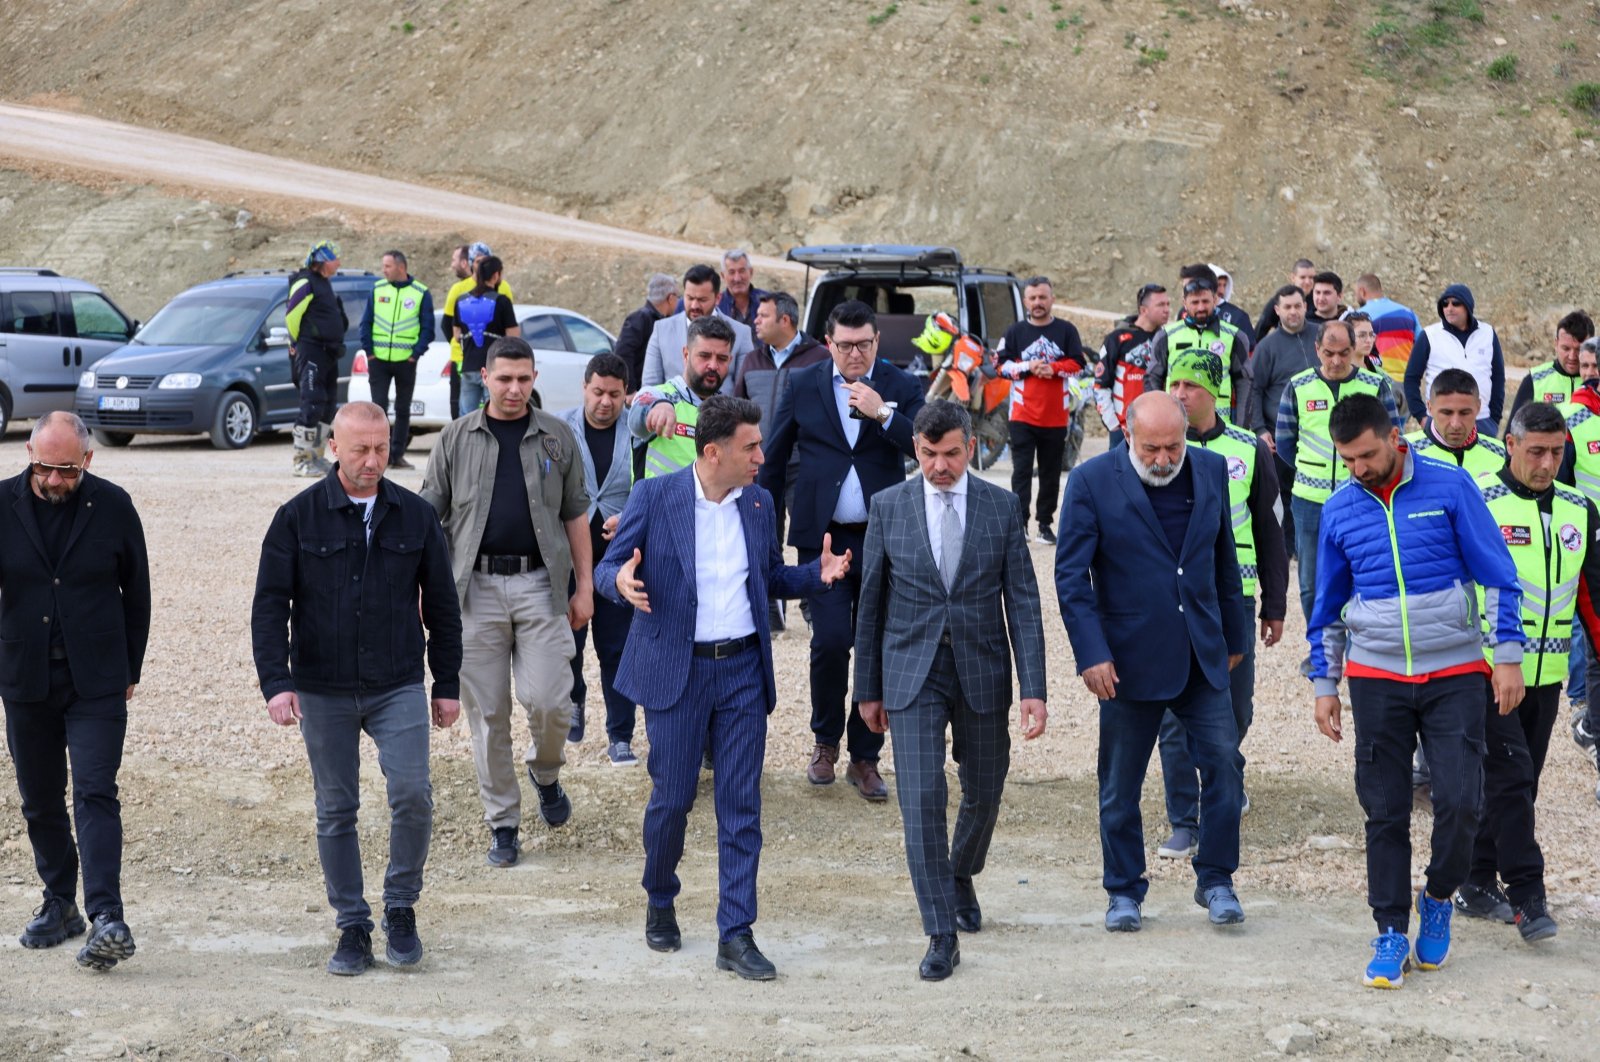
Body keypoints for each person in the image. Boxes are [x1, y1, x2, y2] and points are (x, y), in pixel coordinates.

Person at [595, 395, 850, 980]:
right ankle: (660, 895)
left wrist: (816, 576)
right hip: (677, 673)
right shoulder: (655, 497)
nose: (762, 455)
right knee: (672, 799)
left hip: (740, 671)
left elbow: (768, 578)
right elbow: (609, 567)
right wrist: (620, 583)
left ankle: (735, 933)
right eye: (751, 447)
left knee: (741, 805)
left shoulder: (759, 503)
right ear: (714, 452)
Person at [1306, 393, 1524, 989]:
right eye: (1347, 459)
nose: (1359, 469)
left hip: (1455, 671)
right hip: (1376, 678)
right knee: (1384, 808)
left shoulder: (1450, 488)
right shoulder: (1340, 510)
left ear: (1396, 436)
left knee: (1459, 800)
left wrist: (1506, 656)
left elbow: (1498, 574)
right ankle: (1389, 929)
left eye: (1367, 455)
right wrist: (1326, 682)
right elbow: (1324, 608)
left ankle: (1439, 894)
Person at [251, 402, 463, 976]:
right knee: (336, 808)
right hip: (322, 687)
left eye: (382, 448)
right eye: (360, 449)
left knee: (413, 796)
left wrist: (446, 683)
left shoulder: (417, 517)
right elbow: (269, 608)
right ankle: (351, 924)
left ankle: (400, 907)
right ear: (334, 449)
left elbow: (443, 608)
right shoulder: (296, 518)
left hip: (398, 684)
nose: (373, 461)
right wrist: (277, 682)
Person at [855, 401, 1048, 980]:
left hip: (982, 668)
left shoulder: (1001, 506)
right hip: (910, 671)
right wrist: (866, 688)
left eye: (952, 454)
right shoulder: (888, 507)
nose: (941, 466)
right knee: (920, 801)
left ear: (971, 446)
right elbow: (871, 604)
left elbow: (1024, 602)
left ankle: (960, 870)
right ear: (915, 448)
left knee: (985, 789)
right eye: (930, 454)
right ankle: (940, 931)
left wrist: (1033, 688)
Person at [1056, 392, 1250, 933]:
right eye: (1151, 448)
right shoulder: (1092, 481)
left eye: (1173, 446)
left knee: (1224, 771)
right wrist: (1091, 653)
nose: (1164, 459)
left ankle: (1216, 879)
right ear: (1127, 434)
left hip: (1201, 657)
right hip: (1127, 663)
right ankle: (1123, 890)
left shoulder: (1210, 469)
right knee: (1120, 785)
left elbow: (1222, 557)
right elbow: (1072, 579)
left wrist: (1235, 634)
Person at [420, 337, 592, 867]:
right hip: (473, 591)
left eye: (523, 379)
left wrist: (583, 586)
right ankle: (503, 823)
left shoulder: (558, 437)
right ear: (485, 377)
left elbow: (575, 515)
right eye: (504, 379)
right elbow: (428, 520)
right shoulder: (454, 439)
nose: (514, 389)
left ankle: (546, 772)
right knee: (488, 714)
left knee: (550, 701)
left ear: (534, 377)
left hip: (542, 586)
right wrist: (428, 593)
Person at [760, 299, 925, 801]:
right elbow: (774, 457)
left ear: (877, 342)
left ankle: (866, 757)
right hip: (824, 538)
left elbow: (922, 445)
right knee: (831, 640)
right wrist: (763, 523)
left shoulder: (901, 386)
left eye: (865, 345)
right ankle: (825, 742)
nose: (855, 354)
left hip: (881, 539)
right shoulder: (805, 383)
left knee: (875, 643)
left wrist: (882, 413)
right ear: (828, 343)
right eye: (845, 345)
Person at [1, 412, 149, 971]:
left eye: (66, 469)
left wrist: (130, 668)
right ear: (29, 456)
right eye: (44, 467)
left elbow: (137, 594)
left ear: (87, 460)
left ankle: (107, 915)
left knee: (94, 791)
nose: (54, 480)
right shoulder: (3, 503)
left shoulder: (114, 506)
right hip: (24, 676)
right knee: (39, 797)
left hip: (98, 680)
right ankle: (59, 902)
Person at [1452, 402, 1600, 941]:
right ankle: (1528, 896)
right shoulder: (1477, 501)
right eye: (1536, 451)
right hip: (1488, 670)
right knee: (1512, 778)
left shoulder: (1579, 509)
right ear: (1509, 445)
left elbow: (1591, 597)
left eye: (1557, 452)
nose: (1546, 463)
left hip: (1548, 673)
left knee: (1521, 784)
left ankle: (1472, 880)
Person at [1156, 350, 1288, 856]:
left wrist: (1274, 604)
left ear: (1216, 394)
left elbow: (1270, 530)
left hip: (1234, 599)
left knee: (1236, 708)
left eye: (1190, 386)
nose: (1180, 394)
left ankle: (1226, 775)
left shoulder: (1249, 449)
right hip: (1174, 600)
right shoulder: (1162, 448)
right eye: (1175, 385)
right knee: (1173, 713)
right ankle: (1185, 818)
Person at [1277, 320, 1400, 626]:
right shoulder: (1298, 386)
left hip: (1363, 496)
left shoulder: (1375, 385)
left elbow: (1393, 438)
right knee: (1310, 580)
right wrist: (1313, 470)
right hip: (1310, 500)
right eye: (1329, 353)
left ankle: (1357, 644)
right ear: (1316, 349)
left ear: (1354, 349)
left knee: (1364, 571)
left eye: (1344, 353)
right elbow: (1284, 443)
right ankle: (1319, 644)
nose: (1336, 361)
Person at [557, 353, 640, 766]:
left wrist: (632, 518)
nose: (605, 402)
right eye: (597, 392)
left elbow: (648, 483)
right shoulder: (558, 426)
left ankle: (620, 733)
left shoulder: (637, 431)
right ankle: (574, 699)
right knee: (566, 642)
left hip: (618, 557)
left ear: (627, 394)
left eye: (614, 394)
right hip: (569, 556)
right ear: (585, 388)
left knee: (617, 648)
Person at [996, 275, 1085, 544]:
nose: (1038, 302)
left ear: (1052, 299)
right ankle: (1019, 523)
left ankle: (1044, 524)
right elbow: (1000, 366)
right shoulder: (1014, 332)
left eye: (1042, 297)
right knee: (1021, 471)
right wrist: (1028, 366)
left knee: (1050, 473)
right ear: (1025, 301)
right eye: (1033, 298)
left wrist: (1054, 368)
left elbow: (1079, 364)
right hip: (1022, 415)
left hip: (1056, 416)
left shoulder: (1067, 331)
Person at [1245, 285, 1319, 556]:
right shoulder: (1267, 347)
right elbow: (1253, 389)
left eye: (1297, 306)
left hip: (1319, 435)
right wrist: (1260, 429)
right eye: (1287, 307)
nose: (1293, 312)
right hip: (1280, 437)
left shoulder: (1319, 337)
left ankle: (1315, 545)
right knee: (1283, 495)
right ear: (1277, 310)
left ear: (1305, 307)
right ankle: (1288, 548)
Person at [630, 316, 740, 479]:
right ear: (686, 354)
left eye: (722, 359)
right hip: (656, 504)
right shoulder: (661, 395)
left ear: (730, 360)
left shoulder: (731, 414)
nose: (713, 365)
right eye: (704, 356)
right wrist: (658, 406)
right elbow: (640, 407)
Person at [359, 249, 435, 470]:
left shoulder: (421, 292)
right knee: (377, 409)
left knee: (403, 409)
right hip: (379, 360)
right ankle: (374, 455)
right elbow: (366, 323)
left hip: (406, 362)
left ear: (401, 267)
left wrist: (415, 354)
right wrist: (370, 353)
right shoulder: (377, 289)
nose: (383, 270)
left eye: (387, 266)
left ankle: (396, 455)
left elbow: (428, 328)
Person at [1144, 266, 1248, 420]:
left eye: (1205, 301)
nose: (1201, 307)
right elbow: (1152, 379)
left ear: (1214, 299)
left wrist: (1242, 425)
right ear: (1184, 302)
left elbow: (1245, 383)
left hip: (1221, 426)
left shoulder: (1234, 336)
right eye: (1195, 302)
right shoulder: (1166, 336)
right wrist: (1158, 417)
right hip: (1177, 424)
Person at [1404, 284, 1505, 436]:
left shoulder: (1488, 333)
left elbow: (1498, 378)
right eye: (1445, 304)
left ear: (1468, 306)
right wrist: (1422, 417)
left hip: (1482, 421)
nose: (1449, 308)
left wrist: (1494, 419)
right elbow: (1411, 378)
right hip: (1441, 422)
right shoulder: (1429, 335)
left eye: (1455, 303)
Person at [286, 240, 348, 477]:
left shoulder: (324, 284)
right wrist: (294, 342)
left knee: (327, 404)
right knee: (311, 402)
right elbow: (292, 314)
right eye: (336, 258)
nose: (339, 263)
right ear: (323, 260)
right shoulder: (305, 281)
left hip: (329, 352)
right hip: (311, 350)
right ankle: (301, 459)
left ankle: (317, 456)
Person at [641, 264, 755, 391]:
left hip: (722, 410)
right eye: (689, 298)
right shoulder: (661, 330)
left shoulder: (741, 333)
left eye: (702, 300)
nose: (694, 305)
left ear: (718, 298)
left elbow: (746, 390)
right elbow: (650, 387)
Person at [441, 242, 513, 420]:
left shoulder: (502, 289)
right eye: (478, 261)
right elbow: (447, 324)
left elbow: (455, 330)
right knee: (484, 413)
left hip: (477, 361)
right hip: (466, 359)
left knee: (470, 414)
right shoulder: (459, 290)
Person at [1095, 282, 1171, 446]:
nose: (1167, 309)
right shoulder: (1117, 338)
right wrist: (1113, 425)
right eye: (1160, 305)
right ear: (1143, 310)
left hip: (1158, 427)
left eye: (1168, 304)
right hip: (1124, 429)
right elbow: (1100, 385)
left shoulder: (1169, 338)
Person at [734, 291, 830, 413]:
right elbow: (737, 410)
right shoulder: (752, 360)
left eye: (763, 316)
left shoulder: (820, 358)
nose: (756, 321)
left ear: (785, 320)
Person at [453, 255, 521, 417]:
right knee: (494, 415)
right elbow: (513, 337)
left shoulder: (461, 301)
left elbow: (456, 335)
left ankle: (465, 443)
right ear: (496, 275)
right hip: (494, 368)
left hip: (468, 366)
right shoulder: (501, 301)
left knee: (466, 418)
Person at [1406, 369, 1507, 476]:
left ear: (1478, 407)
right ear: (1430, 408)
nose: (1455, 424)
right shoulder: (1406, 453)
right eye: (1446, 413)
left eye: (1464, 413)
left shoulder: (1501, 454)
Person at [1350, 274, 1421, 411]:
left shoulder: (1359, 318)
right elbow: (1422, 346)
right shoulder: (1408, 313)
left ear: (1362, 292)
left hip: (1379, 384)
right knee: (1399, 430)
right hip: (1407, 385)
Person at [1509, 311, 1594, 421]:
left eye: (1579, 349)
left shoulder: (1596, 382)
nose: (1572, 356)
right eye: (1566, 349)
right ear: (1556, 344)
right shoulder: (1535, 380)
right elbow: (1513, 432)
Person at [615, 273, 679, 393]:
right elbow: (623, 352)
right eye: (678, 297)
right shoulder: (641, 318)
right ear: (670, 298)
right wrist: (630, 390)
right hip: (639, 394)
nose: (678, 301)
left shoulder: (663, 322)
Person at [1255, 258, 1316, 341]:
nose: (1308, 282)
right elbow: (1259, 332)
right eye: (1303, 277)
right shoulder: (1279, 300)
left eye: (1311, 277)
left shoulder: (1320, 301)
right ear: (1293, 278)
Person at [1208, 263, 1257, 351]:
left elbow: (1250, 348)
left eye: (1224, 285)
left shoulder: (1237, 316)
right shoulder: (1187, 313)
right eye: (1218, 285)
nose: (1222, 290)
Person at [717, 249, 768, 332]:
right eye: (731, 272)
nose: (737, 278)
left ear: (751, 272)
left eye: (742, 271)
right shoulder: (717, 306)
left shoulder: (768, 301)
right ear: (723, 276)